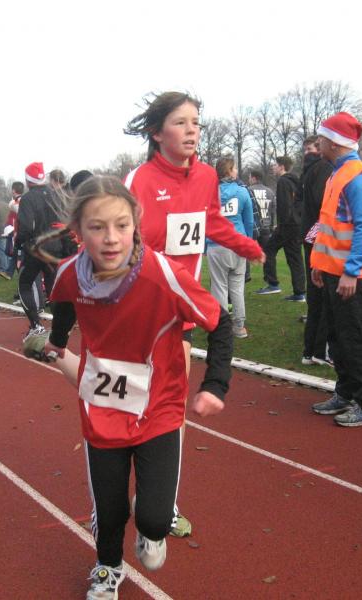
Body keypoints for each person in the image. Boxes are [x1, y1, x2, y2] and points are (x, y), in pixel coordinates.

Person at [24, 176, 233, 600]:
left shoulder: (162, 274)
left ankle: (151, 529)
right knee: (110, 509)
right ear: (78, 231)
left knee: (153, 519)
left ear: (136, 223)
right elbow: (64, 301)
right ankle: (107, 567)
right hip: (102, 409)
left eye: (121, 225)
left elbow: (220, 321)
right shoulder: (70, 273)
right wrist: (58, 341)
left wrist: (215, 385)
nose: (111, 238)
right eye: (97, 227)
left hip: (159, 409)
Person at [124, 91, 263, 536]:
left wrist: (246, 245)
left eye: (196, 123)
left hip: (180, 312)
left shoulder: (205, 176)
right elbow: (122, 239)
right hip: (139, 311)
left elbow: (211, 222)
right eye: (181, 123)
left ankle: (161, 500)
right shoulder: (140, 180)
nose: (192, 131)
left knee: (170, 410)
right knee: (131, 405)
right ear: (157, 132)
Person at [309, 112, 362, 427]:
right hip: (333, 271)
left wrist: (351, 271)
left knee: (353, 339)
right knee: (337, 337)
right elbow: (328, 225)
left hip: (352, 276)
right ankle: (345, 392)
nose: (318, 143)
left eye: (322, 138)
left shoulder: (357, 178)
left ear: (334, 143)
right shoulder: (337, 174)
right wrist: (319, 264)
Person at [16, 162, 72, 337]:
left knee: (24, 284)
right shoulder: (57, 195)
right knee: (52, 287)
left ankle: (36, 325)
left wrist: (18, 244)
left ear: (28, 180)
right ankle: (60, 328)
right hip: (55, 248)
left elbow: (25, 228)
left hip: (36, 249)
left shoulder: (27, 199)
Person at [209, 156, 253, 338]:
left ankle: (222, 327)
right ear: (229, 171)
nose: (237, 171)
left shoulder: (210, 194)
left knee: (219, 287)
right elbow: (249, 221)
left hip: (217, 245)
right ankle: (239, 327)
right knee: (237, 287)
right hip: (237, 244)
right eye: (234, 168)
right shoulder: (242, 192)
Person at [299, 135, 334, 366]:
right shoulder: (323, 169)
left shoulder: (308, 171)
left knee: (315, 294)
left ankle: (310, 350)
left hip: (311, 236)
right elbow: (325, 207)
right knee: (324, 295)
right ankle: (320, 350)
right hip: (320, 237)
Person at [257, 156, 305, 301]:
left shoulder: (283, 181)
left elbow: (284, 206)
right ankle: (300, 293)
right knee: (295, 258)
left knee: (268, 249)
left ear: (282, 166)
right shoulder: (296, 181)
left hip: (287, 226)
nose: (273, 167)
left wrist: (280, 225)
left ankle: (273, 284)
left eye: (275, 165)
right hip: (297, 225)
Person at [247, 169, 276, 253]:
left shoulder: (248, 190)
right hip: (266, 227)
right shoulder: (270, 192)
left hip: (253, 228)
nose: (249, 180)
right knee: (267, 255)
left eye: (249, 178)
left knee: (249, 255)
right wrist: (271, 226)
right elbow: (273, 211)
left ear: (254, 178)